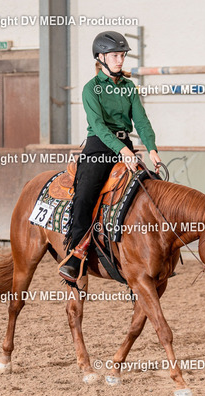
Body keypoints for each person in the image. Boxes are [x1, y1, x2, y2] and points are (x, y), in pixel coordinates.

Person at [59, 31, 161, 282]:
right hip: (99, 147)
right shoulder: (90, 89)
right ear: (101, 57)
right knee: (85, 194)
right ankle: (76, 254)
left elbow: (142, 122)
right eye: (115, 55)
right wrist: (123, 151)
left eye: (122, 55)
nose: (120, 60)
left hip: (125, 145)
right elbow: (99, 126)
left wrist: (152, 149)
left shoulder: (129, 87)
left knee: (152, 187)